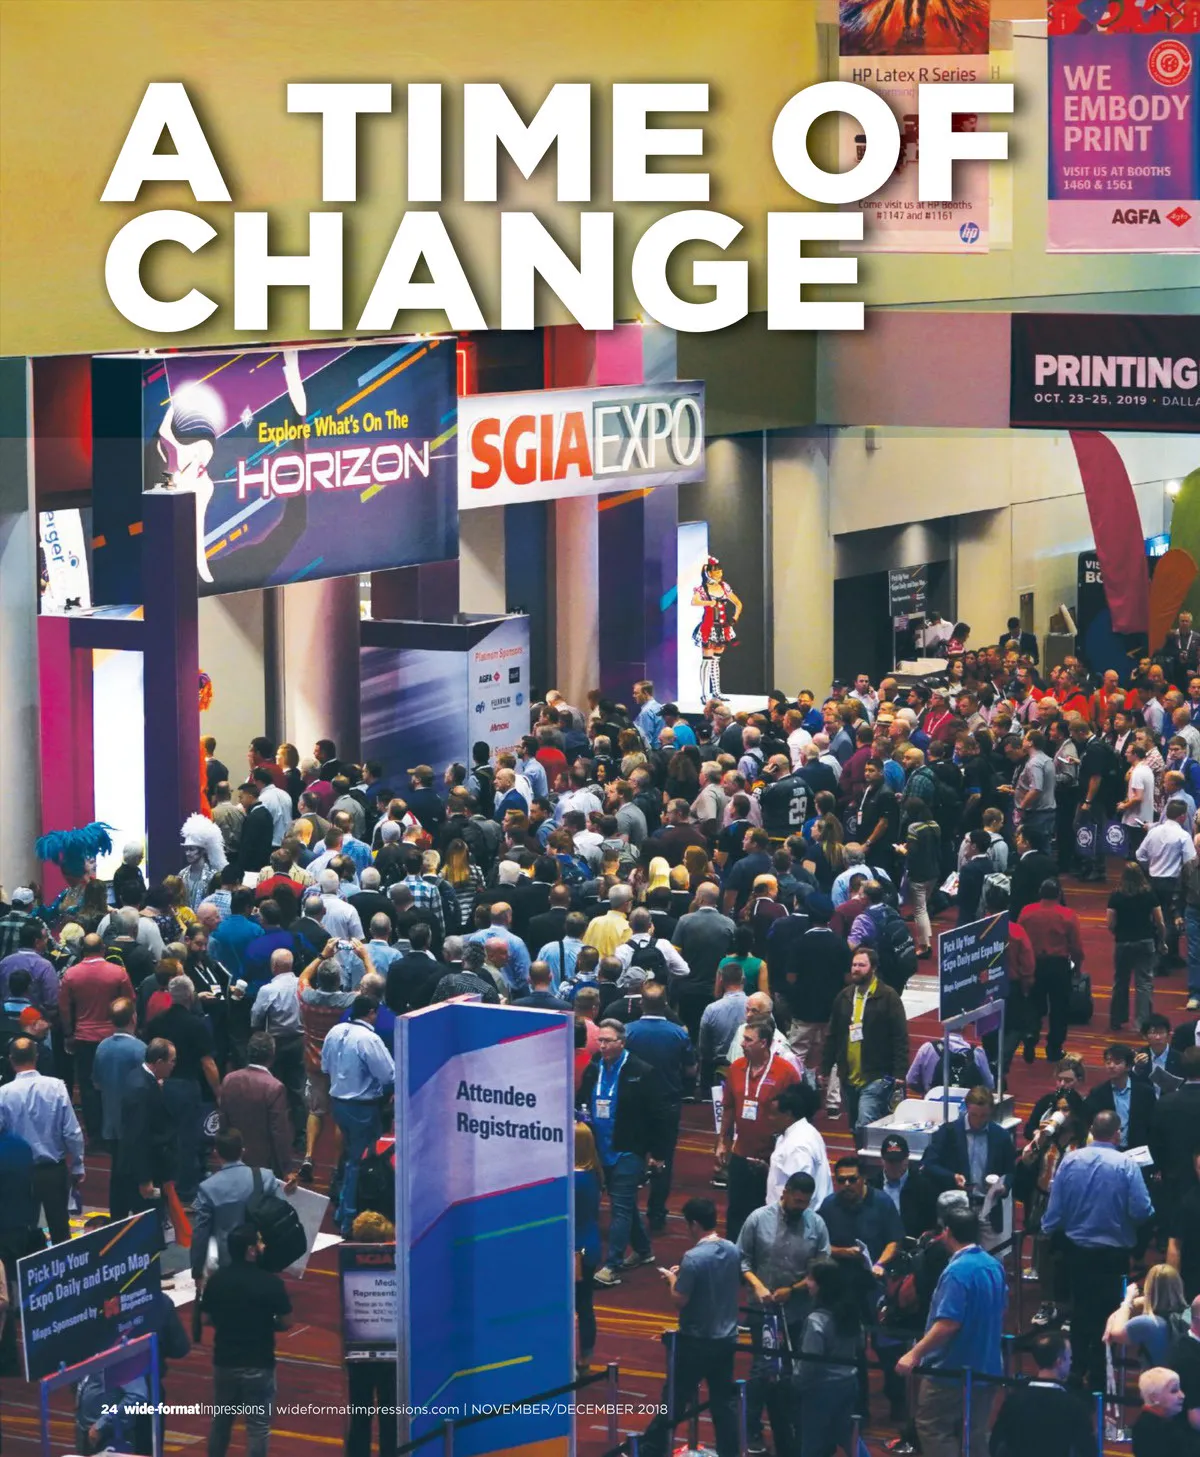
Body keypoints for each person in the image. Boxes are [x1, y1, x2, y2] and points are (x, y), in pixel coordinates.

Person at [1041, 1109, 1154, 1388]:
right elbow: (1142, 1210)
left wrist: (1049, 1230)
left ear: (1092, 1130)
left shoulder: (1070, 1160)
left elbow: (1054, 1209)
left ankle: (1076, 1368)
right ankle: (1102, 1374)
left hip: (1077, 1253)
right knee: (1110, 1314)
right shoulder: (1126, 1165)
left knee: (1079, 1312)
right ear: (1117, 1134)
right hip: (1112, 1257)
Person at [895, 1207, 1007, 1457]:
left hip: (951, 1369)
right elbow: (1002, 1310)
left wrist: (914, 1354)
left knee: (933, 1426)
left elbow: (948, 1323)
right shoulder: (993, 1265)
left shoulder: (957, 1272)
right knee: (975, 1433)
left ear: (947, 1232)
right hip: (987, 1365)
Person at [738, 1171, 831, 1457]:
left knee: (794, 1372)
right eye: (796, 1201)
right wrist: (758, 1285)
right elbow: (742, 1260)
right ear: (785, 1192)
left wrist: (793, 1290)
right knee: (762, 1370)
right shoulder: (757, 1219)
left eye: (805, 1202)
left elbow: (822, 1269)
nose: (800, 1206)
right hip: (762, 1311)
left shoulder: (816, 1224)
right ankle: (751, 1428)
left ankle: (790, 1429)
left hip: (799, 1311)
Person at [642, 1198, 741, 1457]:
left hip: (695, 1342)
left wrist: (672, 1278)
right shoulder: (732, 1249)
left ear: (694, 1224)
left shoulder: (693, 1257)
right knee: (723, 1404)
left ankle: (650, 1450)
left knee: (674, 1401)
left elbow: (680, 1299)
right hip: (726, 1340)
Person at [580, 1017, 668, 1285]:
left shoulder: (641, 1071)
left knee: (619, 1206)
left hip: (629, 1149)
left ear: (622, 1042)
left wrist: (657, 1153)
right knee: (625, 1203)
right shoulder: (594, 1068)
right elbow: (582, 1100)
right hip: (599, 1148)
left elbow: (658, 1115)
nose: (602, 1046)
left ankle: (612, 1265)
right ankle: (643, 1250)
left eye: (607, 1041)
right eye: (600, 1041)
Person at [201, 1222, 291, 1457]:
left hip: (225, 1362)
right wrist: (268, 1323)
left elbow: (205, 1318)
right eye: (259, 1242)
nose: (263, 1246)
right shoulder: (271, 1283)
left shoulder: (217, 1280)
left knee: (221, 1422)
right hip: (259, 1363)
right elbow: (286, 1322)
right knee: (258, 1427)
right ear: (251, 1250)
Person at [717, 1015, 799, 1240]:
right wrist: (722, 1141)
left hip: (771, 1156)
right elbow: (728, 1107)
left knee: (767, 1209)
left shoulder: (786, 1072)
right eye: (743, 1038)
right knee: (736, 1209)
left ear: (763, 1043)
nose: (742, 1044)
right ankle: (735, 1251)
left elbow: (797, 1113)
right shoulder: (736, 1068)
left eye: (748, 1039)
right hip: (741, 1152)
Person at [624, 982, 697, 1233]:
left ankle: (627, 1212)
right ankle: (656, 1214)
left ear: (641, 1003)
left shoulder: (628, 1032)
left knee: (632, 1157)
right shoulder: (678, 1034)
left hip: (634, 1106)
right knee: (663, 1161)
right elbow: (691, 1069)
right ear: (666, 1004)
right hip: (667, 1105)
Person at [321, 995, 395, 1236]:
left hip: (338, 1103)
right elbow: (388, 1075)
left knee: (348, 1158)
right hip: (361, 1107)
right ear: (371, 1013)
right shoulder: (369, 1039)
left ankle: (342, 1209)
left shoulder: (335, 1031)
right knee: (358, 1162)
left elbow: (325, 1067)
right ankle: (349, 1218)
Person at [0, 1036, 84, 1244]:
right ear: (36, 1057)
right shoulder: (56, 1087)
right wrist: (77, 1165)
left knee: (20, 1228)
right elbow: (72, 1132)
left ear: (11, 1060)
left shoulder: (3, 1093)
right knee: (60, 1228)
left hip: (17, 1172)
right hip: (52, 1170)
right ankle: (64, 1263)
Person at [821, 946, 908, 1139]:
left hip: (876, 1076)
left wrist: (900, 1072)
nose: (856, 969)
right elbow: (833, 1035)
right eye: (854, 965)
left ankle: (866, 1155)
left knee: (864, 1124)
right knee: (854, 1127)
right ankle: (863, 1155)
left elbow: (900, 1036)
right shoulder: (844, 997)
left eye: (862, 965)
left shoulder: (888, 997)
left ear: (873, 968)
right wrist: (825, 1068)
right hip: (849, 1077)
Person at [58, 932, 135, 1140]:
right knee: (114, 1084)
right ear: (103, 949)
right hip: (113, 1036)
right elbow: (130, 1003)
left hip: (84, 1037)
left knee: (88, 1086)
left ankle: (94, 1132)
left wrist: (68, 1033)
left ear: (83, 950)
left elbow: (64, 1008)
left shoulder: (71, 974)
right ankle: (114, 1130)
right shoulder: (118, 973)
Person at [191, 1128, 289, 1285]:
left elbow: (200, 1233)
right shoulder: (266, 1177)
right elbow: (279, 1218)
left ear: (216, 1153)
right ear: (243, 1150)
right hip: (261, 1259)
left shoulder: (207, 1188)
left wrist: (197, 1271)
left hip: (227, 1264)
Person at [794, 1258, 870, 1457]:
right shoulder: (851, 1313)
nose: (807, 1283)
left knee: (811, 1443)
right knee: (849, 1434)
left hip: (820, 1389)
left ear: (822, 1285)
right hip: (849, 1383)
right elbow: (861, 1345)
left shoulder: (816, 1320)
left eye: (810, 1278)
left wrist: (795, 1382)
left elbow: (810, 1363)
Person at [920, 1086, 1016, 1237]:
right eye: (974, 1115)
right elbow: (928, 1164)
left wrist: (1003, 1187)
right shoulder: (948, 1132)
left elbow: (1010, 1171)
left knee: (991, 1252)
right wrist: (952, 1177)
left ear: (991, 1111)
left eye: (984, 1115)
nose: (978, 1120)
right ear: (966, 1107)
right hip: (956, 1211)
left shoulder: (1001, 1136)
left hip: (988, 1210)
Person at [987, 1329, 1095, 1457]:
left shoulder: (1013, 1400)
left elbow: (995, 1444)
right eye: (1069, 1358)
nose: (1071, 1362)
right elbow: (1088, 1451)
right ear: (1059, 1362)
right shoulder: (1075, 1406)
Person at [111, 1038, 177, 1223]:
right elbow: (138, 1137)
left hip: (149, 1166)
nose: (174, 1065)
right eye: (172, 1061)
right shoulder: (141, 1089)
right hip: (142, 1172)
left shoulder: (141, 1078)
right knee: (148, 1223)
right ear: (159, 1062)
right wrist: (145, 1179)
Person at [1018, 877, 1083, 1064]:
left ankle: (1030, 1036)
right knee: (1059, 1008)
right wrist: (1077, 967)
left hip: (1034, 964)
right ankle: (1054, 1048)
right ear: (1059, 894)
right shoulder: (1068, 915)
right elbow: (1076, 946)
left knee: (1033, 1004)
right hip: (1058, 965)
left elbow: (1020, 939)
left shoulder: (1027, 912)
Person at [249, 948, 306, 1154]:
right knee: (298, 1089)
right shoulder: (303, 985)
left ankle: (274, 1134)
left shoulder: (268, 990)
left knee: (273, 1089)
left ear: (273, 966)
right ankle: (301, 1138)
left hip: (275, 1043)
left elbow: (256, 1017)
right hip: (299, 1041)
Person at [217, 1032, 292, 1179]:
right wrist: (286, 1168)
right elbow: (279, 1132)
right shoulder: (275, 1087)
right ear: (272, 1055)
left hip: (233, 1160)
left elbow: (223, 1123)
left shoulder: (229, 1080)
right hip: (263, 1165)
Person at [1108, 861, 1166, 1031]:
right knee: (1144, 983)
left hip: (1123, 942)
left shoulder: (1116, 895)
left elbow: (1110, 923)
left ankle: (1117, 1019)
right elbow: (1160, 922)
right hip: (1145, 941)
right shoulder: (1149, 894)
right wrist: (1162, 941)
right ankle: (1142, 1022)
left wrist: (1118, 932)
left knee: (1120, 981)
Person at [1105, 1264, 1190, 1369]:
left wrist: (1128, 1300)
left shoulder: (1148, 1323)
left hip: (1158, 1378)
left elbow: (1115, 1333)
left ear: (1148, 1288)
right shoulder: (1190, 1314)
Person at [766, 1081, 833, 1210]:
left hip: (794, 1217)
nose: (769, 1118)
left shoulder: (798, 1146)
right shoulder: (802, 1132)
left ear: (788, 1115)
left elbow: (800, 1193)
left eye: (773, 1114)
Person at [92, 998, 146, 1148]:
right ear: (133, 1018)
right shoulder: (140, 1048)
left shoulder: (102, 1047)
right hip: (134, 1123)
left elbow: (97, 1084)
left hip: (110, 1120)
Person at [1084, 1042, 1156, 1151]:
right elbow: (1089, 1121)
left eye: (1117, 1062)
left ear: (1128, 1066)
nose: (1111, 1066)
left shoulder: (1145, 1092)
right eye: (1108, 1062)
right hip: (1107, 1149)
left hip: (1138, 1150)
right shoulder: (1098, 1092)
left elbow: (1152, 1123)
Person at [875, 1133, 941, 1239]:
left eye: (899, 1161)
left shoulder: (924, 1186)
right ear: (882, 1160)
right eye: (891, 1162)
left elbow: (934, 1224)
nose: (895, 1166)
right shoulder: (873, 1185)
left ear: (907, 1158)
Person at [574, 1123, 603, 1373]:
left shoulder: (575, 1180)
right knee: (585, 1305)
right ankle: (585, 1356)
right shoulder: (593, 1173)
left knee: (573, 1305)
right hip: (589, 1245)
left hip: (575, 1251)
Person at [1131, 1366, 1196, 1456]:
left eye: (1180, 1390)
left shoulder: (1169, 1422)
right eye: (1174, 1391)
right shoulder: (1151, 1429)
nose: (1182, 1395)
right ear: (1154, 1397)